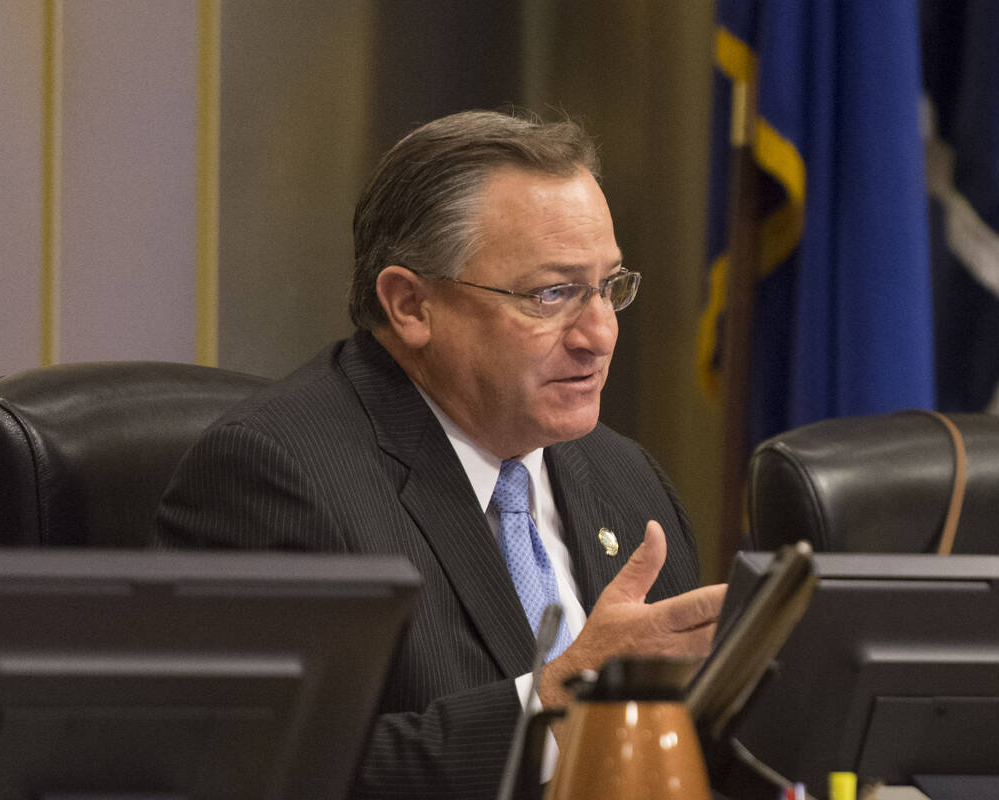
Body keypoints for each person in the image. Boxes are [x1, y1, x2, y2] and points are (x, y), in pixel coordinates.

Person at [155, 110, 725, 799]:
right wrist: (562, 698)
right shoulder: (274, 478)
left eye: (608, 287)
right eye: (552, 294)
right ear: (410, 305)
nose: (599, 333)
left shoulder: (625, 477)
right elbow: (279, 774)